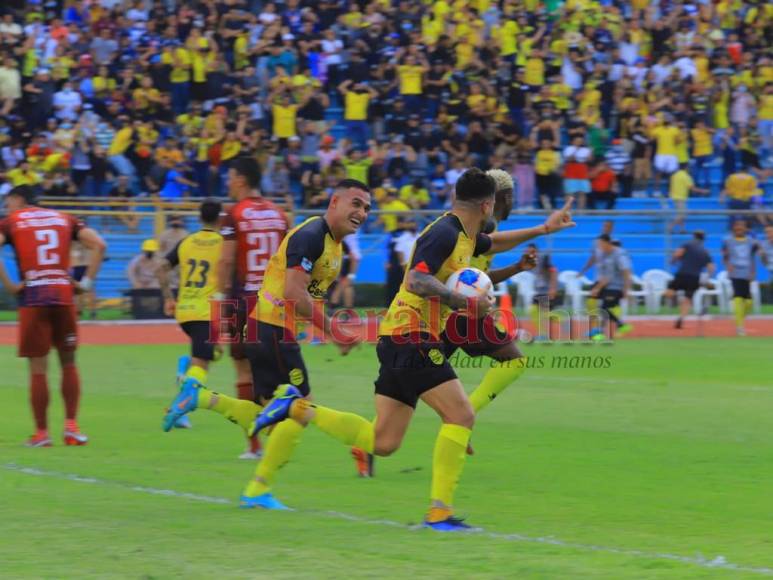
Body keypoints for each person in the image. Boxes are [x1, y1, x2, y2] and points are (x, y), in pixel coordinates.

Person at [250, 169, 575, 529]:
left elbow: (495, 242)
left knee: (383, 441)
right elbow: (415, 279)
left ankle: (295, 407)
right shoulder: (444, 233)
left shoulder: (465, 235)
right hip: (411, 336)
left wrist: (543, 230)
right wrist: (459, 301)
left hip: (398, 340)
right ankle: (440, 512)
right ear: (486, 205)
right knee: (461, 415)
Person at [162, 179, 371, 510]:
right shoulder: (311, 236)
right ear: (334, 202)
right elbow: (293, 293)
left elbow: (305, 296)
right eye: (356, 203)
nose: (362, 212)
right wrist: (333, 331)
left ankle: (201, 397)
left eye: (367, 208)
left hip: (268, 329)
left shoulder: (332, 244)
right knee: (301, 411)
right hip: (274, 331)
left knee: (272, 418)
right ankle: (263, 486)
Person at [0, 185, 106, 446]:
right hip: (63, 294)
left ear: (19, 199)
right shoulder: (65, 218)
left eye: (8, 201)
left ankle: (41, 434)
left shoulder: (12, 221)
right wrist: (86, 284)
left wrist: (11, 286)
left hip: (34, 296)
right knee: (68, 361)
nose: (6, 207)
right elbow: (99, 245)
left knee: (38, 368)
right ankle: (71, 428)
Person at [215, 157, 290, 459]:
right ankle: (280, 435)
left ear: (242, 179)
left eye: (230, 176)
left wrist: (221, 302)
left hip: (245, 299)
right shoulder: (279, 213)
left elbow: (226, 261)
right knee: (277, 370)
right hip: (278, 301)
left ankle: (254, 445)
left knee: (244, 369)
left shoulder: (234, 214)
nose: (228, 181)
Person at [158, 199, 223, 430]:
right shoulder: (224, 244)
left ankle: (183, 367)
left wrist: (168, 297)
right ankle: (181, 409)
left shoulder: (186, 242)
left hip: (184, 311)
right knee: (202, 366)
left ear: (199, 218)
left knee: (210, 355)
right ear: (220, 218)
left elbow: (161, 267)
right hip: (206, 311)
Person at [665, 231, 715, 329]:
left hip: (682, 273)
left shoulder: (687, 244)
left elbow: (678, 253)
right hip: (695, 277)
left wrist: (673, 260)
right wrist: (708, 277)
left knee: (669, 291)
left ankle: (674, 299)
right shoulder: (705, 251)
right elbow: (711, 267)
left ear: (694, 236)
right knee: (688, 299)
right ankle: (681, 318)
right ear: (703, 239)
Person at [588, 234, 633, 340]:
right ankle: (600, 332)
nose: (598, 246)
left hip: (617, 287)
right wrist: (597, 288)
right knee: (602, 307)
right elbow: (606, 276)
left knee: (604, 308)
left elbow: (626, 271)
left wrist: (626, 289)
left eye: (599, 244)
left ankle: (620, 325)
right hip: (608, 286)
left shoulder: (619, 254)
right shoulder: (605, 255)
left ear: (607, 243)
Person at [722, 220, 759, 336]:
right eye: (737, 226)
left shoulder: (751, 242)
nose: (739, 228)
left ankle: (740, 319)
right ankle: (740, 327)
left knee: (748, 302)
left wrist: (753, 272)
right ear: (733, 228)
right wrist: (728, 266)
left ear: (745, 228)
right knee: (738, 298)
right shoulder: (728, 241)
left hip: (746, 273)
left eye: (741, 226)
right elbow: (725, 256)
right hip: (735, 273)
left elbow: (753, 258)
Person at [528, 245, 560, 341]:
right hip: (539, 291)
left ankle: (562, 320)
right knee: (533, 311)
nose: (531, 254)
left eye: (533, 251)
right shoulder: (531, 261)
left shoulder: (543, 260)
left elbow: (554, 271)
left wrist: (553, 288)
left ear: (537, 251)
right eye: (529, 252)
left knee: (547, 313)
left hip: (546, 290)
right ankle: (542, 334)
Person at [669, 163, 709, 233]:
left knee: (680, 213)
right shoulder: (686, 176)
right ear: (686, 168)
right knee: (683, 214)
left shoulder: (674, 175)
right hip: (681, 197)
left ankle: (682, 229)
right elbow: (692, 188)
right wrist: (703, 191)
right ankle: (670, 227)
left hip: (674, 197)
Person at [330, 233, 361, 310]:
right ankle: (348, 309)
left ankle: (333, 306)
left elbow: (353, 256)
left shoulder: (346, 234)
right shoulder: (350, 234)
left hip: (349, 260)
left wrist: (351, 275)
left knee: (342, 286)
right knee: (347, 286)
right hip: (349, 259)